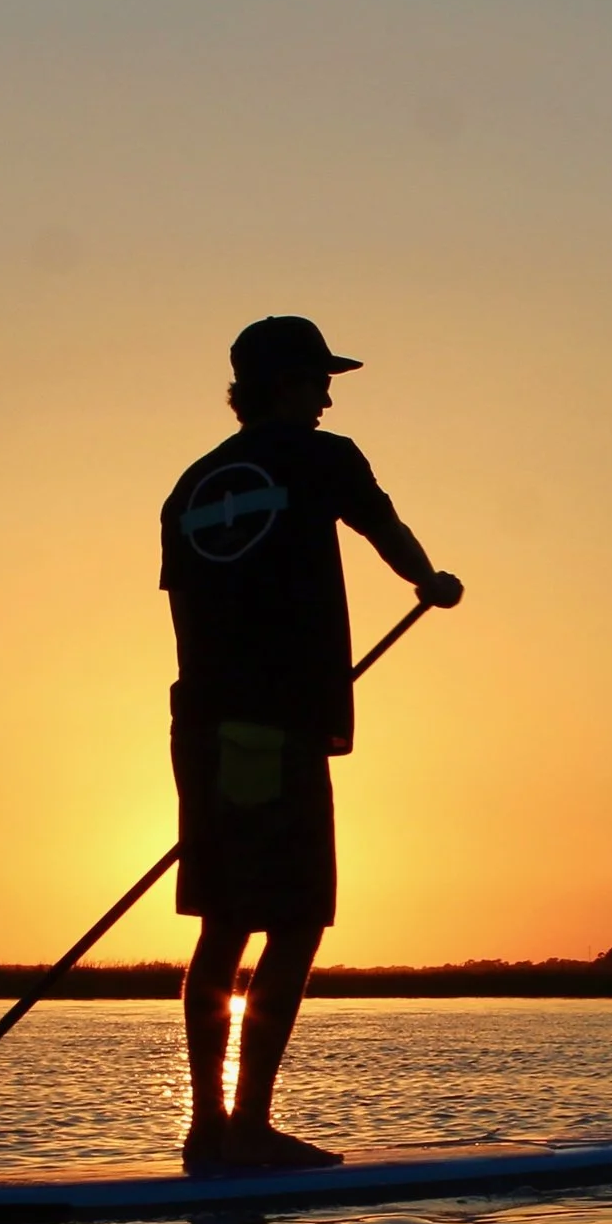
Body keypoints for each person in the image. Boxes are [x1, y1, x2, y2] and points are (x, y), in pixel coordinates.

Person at [160, 316, 463, 1175]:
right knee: (294, 919)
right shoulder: (323, 457)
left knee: (225, 922)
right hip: (276, 727)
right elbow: (385, 530)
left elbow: (186, 615)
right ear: (287, 383)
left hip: (202, 728)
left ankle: (207, 1133)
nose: (329, 395)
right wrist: (429, 582)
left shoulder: (189, 486)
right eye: (318, 379)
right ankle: (246, 1130)